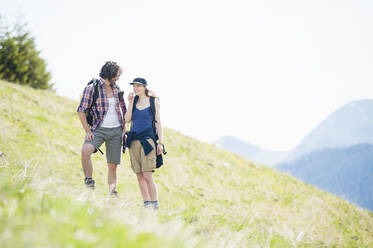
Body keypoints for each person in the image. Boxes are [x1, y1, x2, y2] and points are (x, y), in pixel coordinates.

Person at [77, 61, 126, 196]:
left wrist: (123, 130)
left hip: (116, 131)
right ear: (110, 74)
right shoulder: (92, 88)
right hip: (98, 129)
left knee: (112, 166)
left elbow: (123, 110)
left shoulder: (117, 89)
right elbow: (81, 110)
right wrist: (87, 131)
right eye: (117, 75)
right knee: (86, 151)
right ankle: (89, 183)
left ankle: (112, 193)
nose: (118, 78)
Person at [124, 78, 163, 210]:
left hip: (148, 141)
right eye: (134, 86)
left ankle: (155, 203)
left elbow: (158, 123)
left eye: (138, 86)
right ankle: (147, 204)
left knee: (147, 175)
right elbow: (127, 119)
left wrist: (160, 143)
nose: (136, 88)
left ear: (145, 87)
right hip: (133, 141)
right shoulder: (133, 101)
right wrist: (129, 103)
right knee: (139, 174)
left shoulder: (153, 101)